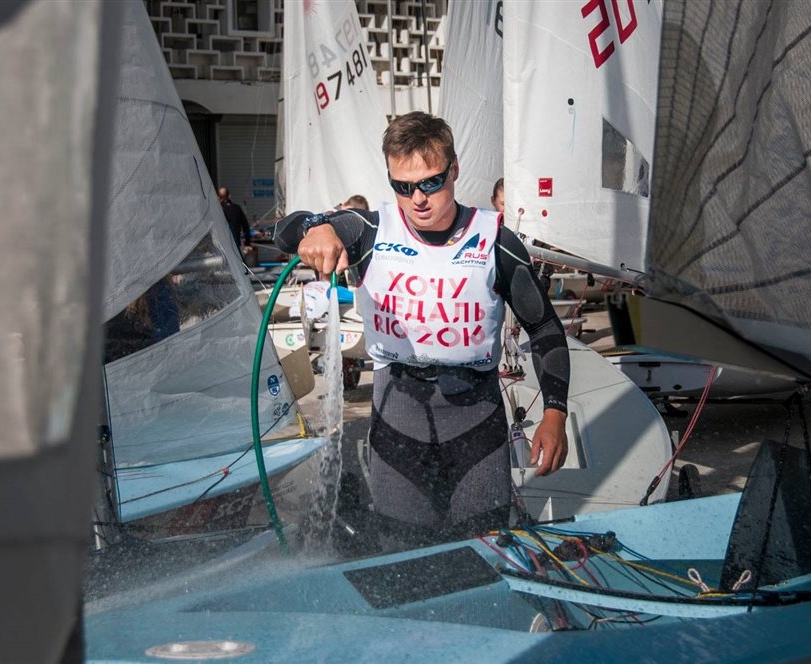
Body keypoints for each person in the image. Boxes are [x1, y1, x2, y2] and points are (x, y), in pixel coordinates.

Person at [274, 112, 570, 550]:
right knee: (404, 559)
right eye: (403, 186)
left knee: (485, 552)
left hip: (475, 421)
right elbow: (285, 232)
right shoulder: (370, 229)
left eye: (431, 182)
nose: (418, 199)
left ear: (454, 170)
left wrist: (555, 413)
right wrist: (315, 229)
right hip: (399, 420)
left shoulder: (494, 239)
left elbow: (544, 328)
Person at [217, 187, 252, 254]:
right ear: (229, 196)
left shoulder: (218, 210)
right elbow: (246, 226)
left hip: (221, 246)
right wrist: (247, 243)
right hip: (235, 244)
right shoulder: (237, 208)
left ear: (218, 197)